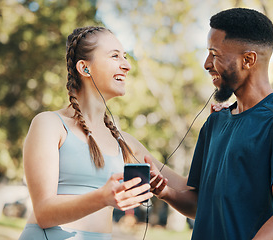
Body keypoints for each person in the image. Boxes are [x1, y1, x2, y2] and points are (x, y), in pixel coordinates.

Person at [147, 8, 273, 240]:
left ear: (248, 60)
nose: (206, 63)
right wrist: (165, 192)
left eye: (214, 54)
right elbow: (199, 205)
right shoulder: (215, 122)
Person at [19, 26, 182, 240]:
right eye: (115, 56)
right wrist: (103, 198)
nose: (126, 66)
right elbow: (43, 213)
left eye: (125, 57)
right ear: (85, 68)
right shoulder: (49, 124)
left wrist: (220, 121)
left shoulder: (124, 142)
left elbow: (187, 187)